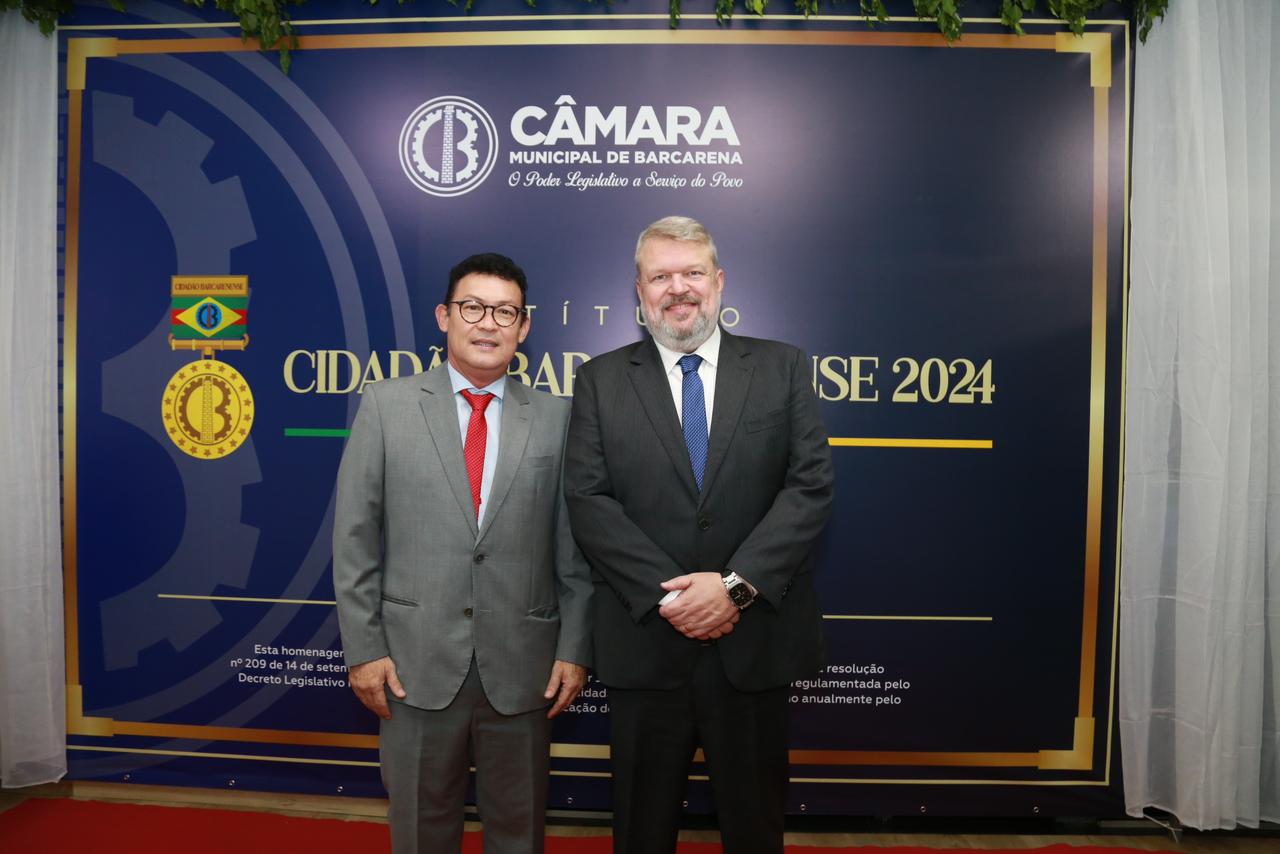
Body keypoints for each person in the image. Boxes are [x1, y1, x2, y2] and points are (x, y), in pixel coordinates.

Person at [564, 216, 835, 853]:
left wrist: (734, 588)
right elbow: (588, 498)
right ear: (639, 290)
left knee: (755, 827)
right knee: (640, 829)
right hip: (648, 647)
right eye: (661, 275)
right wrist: (675, 599)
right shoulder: (600, 381)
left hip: (754, 647)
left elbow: (810, 487)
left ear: (718, 282)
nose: (677, 288)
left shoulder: (782, 367)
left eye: (691, 273)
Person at [333, 253, 592, 854]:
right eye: (473, 307)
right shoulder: (386, 406)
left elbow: (575, 553)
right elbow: (354, 539)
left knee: (518, 832)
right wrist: (365, 650)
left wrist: (575, 650)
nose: (488, 323)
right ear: (444, 316)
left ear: (524, 328)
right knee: (422, 829)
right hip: (411, 666)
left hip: (524, 669)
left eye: (505, 311)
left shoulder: (557, 418)